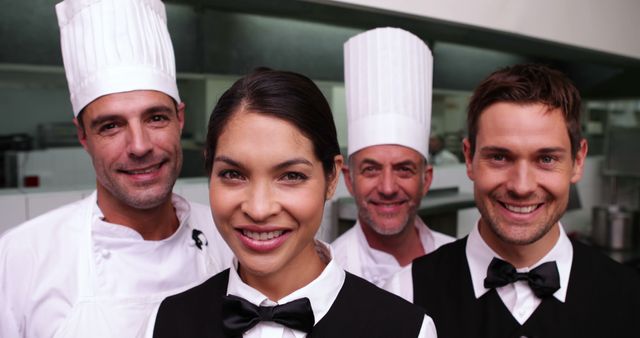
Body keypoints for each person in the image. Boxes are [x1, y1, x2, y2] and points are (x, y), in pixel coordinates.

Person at [143, 68, 437, 337]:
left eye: (291, 176)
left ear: (332, 177)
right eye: (233, 174)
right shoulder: (167, 321)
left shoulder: (406, 330)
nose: (259, 209)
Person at [0, 0, 232, 336]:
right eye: (111, 126)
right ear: (83, 135)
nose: (139, 146)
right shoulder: (22, 257)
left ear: (180, 119)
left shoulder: (231, 238)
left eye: (155, 117)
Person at [385, 64, 640, 337]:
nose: (521, 186)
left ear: (578, 161)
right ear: (469, 158)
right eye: (499, 157)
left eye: (546, 159)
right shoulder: (404, 292)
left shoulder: (630, 296)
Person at [332, 27, 454, 287]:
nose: (387, 188)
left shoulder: (459, 262)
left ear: (427, 179)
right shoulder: (327, 273)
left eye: (404, 169)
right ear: (349, 180)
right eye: (371, 169)